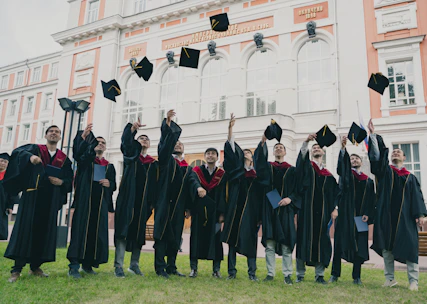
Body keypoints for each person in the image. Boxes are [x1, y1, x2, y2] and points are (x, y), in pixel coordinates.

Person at [4, 125, 73, 283]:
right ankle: (16, 269)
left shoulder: (64, 158)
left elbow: (69, 180)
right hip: (32, 197)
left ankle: (35, 267)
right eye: (51, 131)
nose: (54, 134)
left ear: (60, 137)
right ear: (46, 135)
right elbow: (16, 153)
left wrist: (61, 181)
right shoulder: (35, 149)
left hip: (50, 201)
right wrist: (30, 158)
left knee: (43, 233)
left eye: (57, 132)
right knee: (24, 231)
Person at [367, 119, 426, 291]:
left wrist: (421, 215)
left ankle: (413, 281)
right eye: (393, 152)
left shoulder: (410, 177)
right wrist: (373, 135)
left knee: (410, 248)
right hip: (386, 216)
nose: (395, 154)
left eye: (399, 152)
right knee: (387, 249)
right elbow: (377, 160)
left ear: (404, 157)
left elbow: (417, 197)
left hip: (406, 218)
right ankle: (389, 279)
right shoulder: (386, 173)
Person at [67, 124, 117, 279]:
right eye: (97, 142)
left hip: (99, 205)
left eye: (103, 143)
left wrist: (109, 184)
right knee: (80, 231)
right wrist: (83, 138)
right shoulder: (86, 161)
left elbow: (114, 185)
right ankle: (74, 266)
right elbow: (78, 154)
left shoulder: (109, 166)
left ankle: (88, 264)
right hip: (84, 203)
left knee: (95, 234)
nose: (100, 144)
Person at [154, 110, 199, 278]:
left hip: (179, 206)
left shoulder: (187, 168)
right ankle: (160, 267)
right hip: (165, 203)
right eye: (176, 143)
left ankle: (171, 266)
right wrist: (167, 123)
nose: (178, 145)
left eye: (181, 144)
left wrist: (188, 208)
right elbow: (164, 145)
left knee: (176, 233)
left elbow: (189, 189)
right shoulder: (166, 161)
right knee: (162, 234)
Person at [254, 132, 300, 285]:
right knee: (270, 244)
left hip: (286, 211)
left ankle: (287, 274)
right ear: (273, 152)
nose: (279, 149)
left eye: (281, 147)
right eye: (276, 147)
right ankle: (270, 273)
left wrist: (290, 199)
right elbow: (258, 162)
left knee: (287, 244)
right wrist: (262, 142)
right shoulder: (267, 167)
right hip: (270, 210)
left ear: (285, 152)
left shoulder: (292, 170)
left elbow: (298, 190)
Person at [114, 120, 158, 278]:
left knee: (139, 232)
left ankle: (134, 265)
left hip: (144, 203)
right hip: (128, 200)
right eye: (141, 138)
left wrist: (152, 203)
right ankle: (118, 265)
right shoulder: (130, 157)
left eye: (147, 139)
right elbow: (126, 143)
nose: (144, 140)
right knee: (123, 230)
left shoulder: (154, 164)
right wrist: (132, 129)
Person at [329, 135, 375, 284]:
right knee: (339, 244)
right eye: (351, 159)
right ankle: (335, 274)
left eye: (356, 159)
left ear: (361, 162)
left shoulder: (368, 181)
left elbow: (371, 200)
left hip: (361, 218)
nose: (354, 160)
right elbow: (341, 168)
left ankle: (357, 276)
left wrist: (368, 214)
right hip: (345, 215)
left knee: (360, 246)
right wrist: (343, 148)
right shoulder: (346, 176)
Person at [222, 114, 263, 281]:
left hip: (252, 213)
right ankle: (231, 272)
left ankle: (251, 273)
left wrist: (260, 216)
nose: (246, 152)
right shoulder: (237, 172)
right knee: (232, 240)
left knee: (250, 241)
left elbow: (261, 196)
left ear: (252, 157)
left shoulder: (257, 175)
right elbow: (231, 151)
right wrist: (230, 129)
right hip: (236, 209)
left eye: (249, 151)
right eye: (244, 151)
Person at [295, 134, 339, 284]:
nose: (316, 149)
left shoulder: (329, 177)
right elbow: (301, 160)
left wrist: (335, 208)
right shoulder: (307, 168)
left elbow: (335, 194)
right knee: (303, 240)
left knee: (322, 241)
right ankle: (300, 274)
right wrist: (306, 141)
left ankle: (319, 275)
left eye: (318, 147)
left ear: (324, 152)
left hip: (323, 215)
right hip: (306, 213)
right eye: (314, 148)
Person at [189, 147, 226, 278]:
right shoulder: (197, 171)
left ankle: (216, 269)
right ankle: (193, 268)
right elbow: (192, 183)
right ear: (205, 156)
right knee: (195, 239)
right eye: (208, 154)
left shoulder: (221, 174)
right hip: (199, 212)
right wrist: (198, 188)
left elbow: (223, 194)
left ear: (217, 157)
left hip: (215, 214)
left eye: (213, 154)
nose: (210, 156)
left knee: (216, 240)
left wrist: (222, 213)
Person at [0, 153, 18, 241]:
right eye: (1, 161)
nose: (3, 163)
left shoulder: (9, 177)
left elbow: (12, 193)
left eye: (5, 161)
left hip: (3, 205)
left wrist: (10, 206)